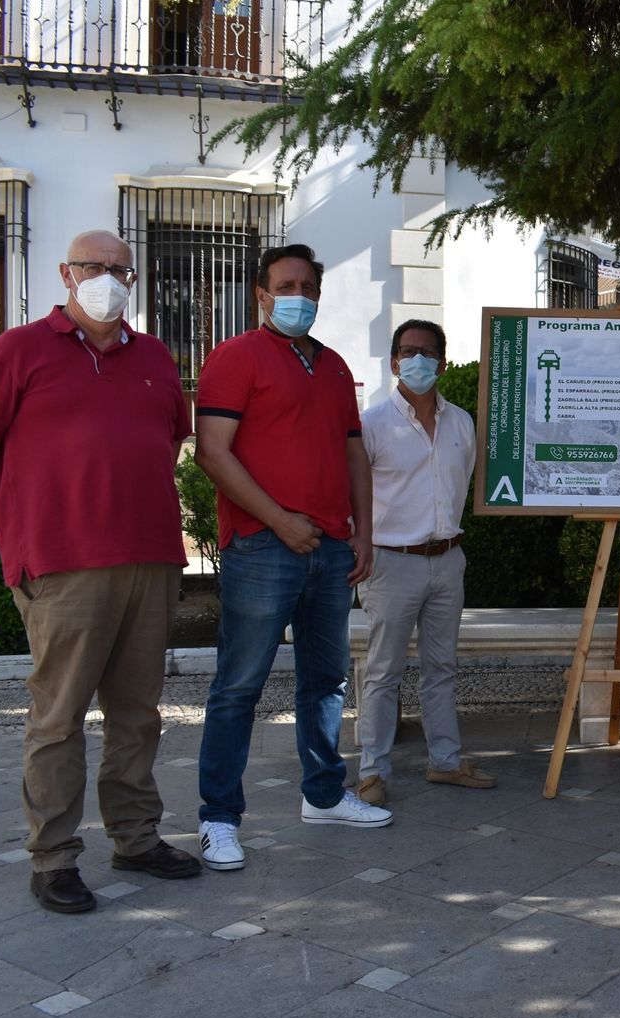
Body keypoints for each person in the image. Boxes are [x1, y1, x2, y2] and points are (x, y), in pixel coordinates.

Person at [0, 230, 202, 913]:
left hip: (149, 559)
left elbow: (167, 444)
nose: (109, 279)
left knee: (138, 714)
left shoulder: (154, 357)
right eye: (94, 266)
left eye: (122, 270)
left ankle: (136, 837)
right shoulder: (18, 351)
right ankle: (54, 857)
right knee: (59, 717)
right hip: (63, 567)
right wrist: (26, 523)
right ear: (66, 273)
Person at [193, 243, 388, 872]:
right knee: (238, 687)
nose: (298, 296)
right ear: (261, 294)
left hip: (331, 549)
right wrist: (279, 520)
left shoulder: (332, 367)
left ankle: (324, 796)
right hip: (261, 546)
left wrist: (363, 532)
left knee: (327, 681)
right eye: (285, 286)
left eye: (308, 286)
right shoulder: (235, 357)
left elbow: (353, 454)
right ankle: (219, 818)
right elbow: (213, 452)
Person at [354, 319, 492, 805]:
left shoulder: (462, 423)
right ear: (394, 362)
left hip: (447, 559)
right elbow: (353, 494)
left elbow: (462, 482)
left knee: (442, 668)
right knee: (382, 672)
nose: (418, 360)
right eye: (408, 352)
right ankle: (372, 772)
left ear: (442, 363)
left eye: (428, 352)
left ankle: (446, 762)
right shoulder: (372, 424)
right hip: (391, 563)